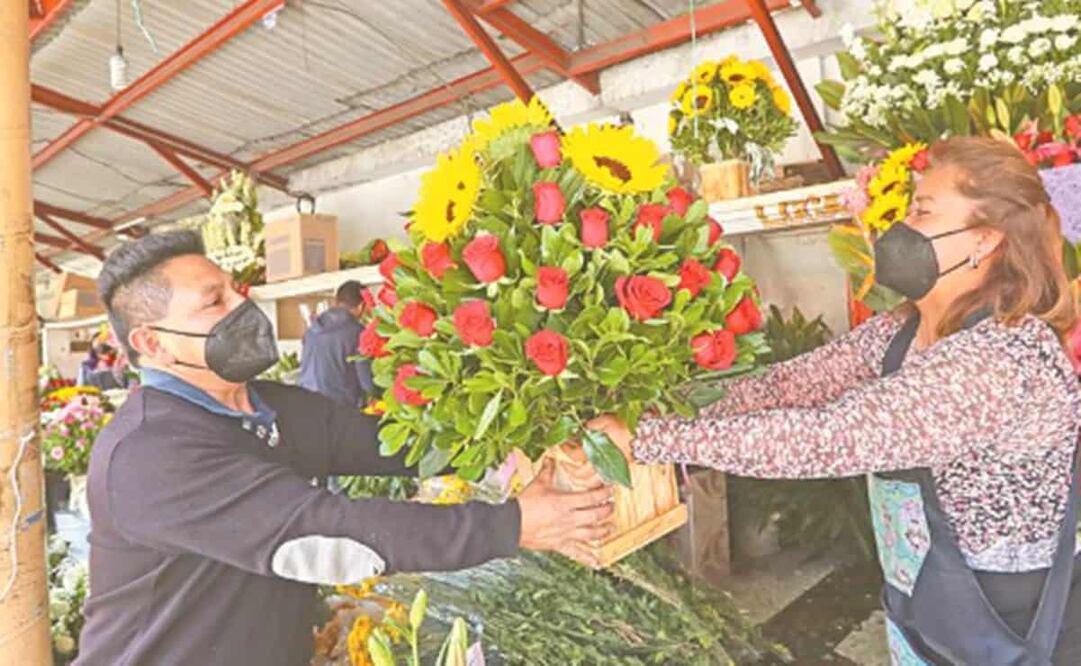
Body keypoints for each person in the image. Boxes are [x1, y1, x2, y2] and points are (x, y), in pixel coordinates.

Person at [593, 137, 1081, 664]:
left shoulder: (1003, 356)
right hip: (929, 599)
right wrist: (670, 407)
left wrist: (651, 439)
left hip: (1007, 619)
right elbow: (788, 386)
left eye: (922, 210)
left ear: (984, 241)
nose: (900, 227)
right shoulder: (906, 330)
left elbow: (829, 437)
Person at [77, 231, 614, 666]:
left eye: (236, 288)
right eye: (214, 301)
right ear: (152, 342)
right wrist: (515, 524)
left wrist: (532, 427)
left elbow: (395, 444)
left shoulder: (269, 405)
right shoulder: (149, 453)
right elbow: (326, 532)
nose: (244, 303)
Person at [298, 279, 373, 406]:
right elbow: (367, 382)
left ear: (336, 301)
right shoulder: (357, 332)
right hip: (338, 411)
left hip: (308, 405)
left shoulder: (312, 330)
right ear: (361, 306)